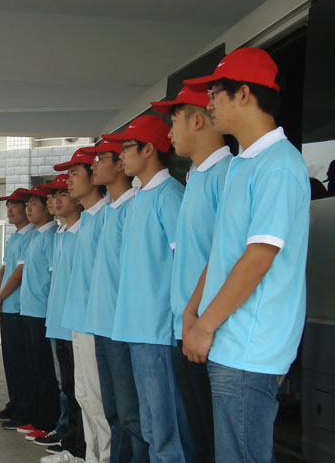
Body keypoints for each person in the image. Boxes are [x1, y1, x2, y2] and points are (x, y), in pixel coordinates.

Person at [182, 47, 310, 463]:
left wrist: (205, 325)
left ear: (243, 94)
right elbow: (224, 251)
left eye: (214, 93)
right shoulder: (243, 165)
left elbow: (258, 258)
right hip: (229, 341)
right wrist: (192, 311)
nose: (208, 104)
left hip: (251, 348)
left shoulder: (279, 164)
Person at [103, 115, 194, 462]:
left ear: (149, 149)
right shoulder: (141, 197)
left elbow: (184, 264)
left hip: (157, 331)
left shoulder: (169, 196)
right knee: (151, 426)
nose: (121, 155)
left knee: (166, 428)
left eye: (127, 147)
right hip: (135, 328)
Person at [151, 85, 232, 463]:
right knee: (199, 435)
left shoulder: (226, 175)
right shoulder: (196, 177)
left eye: (173, 121)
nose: (169, 133)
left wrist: (199, 318)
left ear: (197, 120)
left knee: (217, 441)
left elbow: (225, 257)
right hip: (186, 326)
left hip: (209, 329)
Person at [83, 140, 148, 463]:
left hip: (121, 327)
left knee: (130, 411)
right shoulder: (108, 210)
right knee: (112, 409)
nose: (94, 165)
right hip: (101, 324)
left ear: (120, 166)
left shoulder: (133, 206)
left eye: (101, 159)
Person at [58, 148, 112, 463]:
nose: (68, 182)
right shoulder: (88, 218)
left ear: (94, 179)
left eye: (74, 174)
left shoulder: (106, 215)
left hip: (96, 321)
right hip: (78, 320)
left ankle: (103, 457)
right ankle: (91, 455)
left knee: (98, 398)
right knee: (83, 395)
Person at [39, 179, 86, 462]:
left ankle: (78, 446)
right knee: (67, 386)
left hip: (76, 325)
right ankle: (70, 440)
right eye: (53, 195)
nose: (56, 200)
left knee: (82, 392)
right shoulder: (60, 234)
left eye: (63, 194)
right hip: (57, 322)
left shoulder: (84, 230)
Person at [18, 185, 60, 439]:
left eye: (33, 204)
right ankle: (38, 418)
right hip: (29, 311)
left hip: (43, 313)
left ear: (47, 207)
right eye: (27, 205)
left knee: (46, 372)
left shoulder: (51, 235)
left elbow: (54, 277)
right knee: (34, 369)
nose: (28, 209)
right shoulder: (35, 235)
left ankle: (48, 422)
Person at [0, 188, 35, 429]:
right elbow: (4, 269)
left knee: (21, 362)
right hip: (7, 306)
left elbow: (18, 273)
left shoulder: (32, 236)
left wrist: (0, 297)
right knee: (10, 360)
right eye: (7, 206)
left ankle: (25, 409)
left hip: (19, 307)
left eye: (14, 205)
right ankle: (15, 402)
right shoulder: (14, 238)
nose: (9, 210)